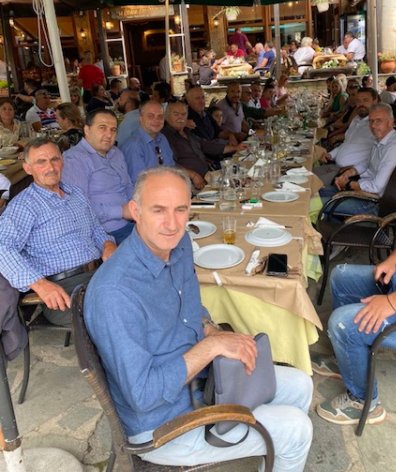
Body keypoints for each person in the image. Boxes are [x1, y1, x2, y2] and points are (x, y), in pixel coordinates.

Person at [84, 167, 313, 470]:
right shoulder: (115, 293)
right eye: (158, 210)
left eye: (180, 209)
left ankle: (272, 454)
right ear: (135, 212)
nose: (172, 224)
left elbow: (192, 307)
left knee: (301, 384)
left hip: (204, 381)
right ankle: (279, 443)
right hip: (164, 425)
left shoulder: (178, 246)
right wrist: (212, 347)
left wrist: (211, 330)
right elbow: (143, 395)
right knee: (297, 429)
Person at [315, 123, 396, 426]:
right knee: (340, 275)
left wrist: (391, 303)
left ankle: (363, 400)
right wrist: (391, 260)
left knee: (343, 323)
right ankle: (347, 357)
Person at [0, 138, 115, 326]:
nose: (51, 167)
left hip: (99, 273)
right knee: (119, 311)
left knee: (147, 289)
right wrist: (40, 285)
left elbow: (95, 228)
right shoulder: (24, 206)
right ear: (28, 168)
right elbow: (2, 247)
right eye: (41, 162)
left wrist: (108, 244)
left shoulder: (76, 193)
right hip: (65, 287)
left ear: (62, 161)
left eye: (54, 159)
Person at [319, 103, 396, 216]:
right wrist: (349, 173)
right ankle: (326, 221)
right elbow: (368, 163)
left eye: (378, 121)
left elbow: (376, 187)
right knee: (316, 192)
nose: (373, 126)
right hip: (361, 192)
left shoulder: (393, 149)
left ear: (391, 122)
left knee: (313, 204)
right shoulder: (381, 140)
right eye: (371, 121)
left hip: (372, 202)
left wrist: (348, 184)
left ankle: (330, 223)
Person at [62, 110, 134, 244]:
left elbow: (128, 185)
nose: (109, 134)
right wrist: (121, 211)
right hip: (105, 233)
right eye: (102, 128)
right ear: (87, 130)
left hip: (133, 222)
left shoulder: (116, 153)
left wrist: (137, 206)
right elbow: (77, 207)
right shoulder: (75, 159)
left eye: (113, 130)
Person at [315, 88, 378, 186]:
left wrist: (354, 170)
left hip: (349, 176)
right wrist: (330, 155)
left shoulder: (376, 126)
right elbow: (346, 143)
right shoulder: (357, 120)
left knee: (308, 185)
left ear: (375, 101)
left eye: (365, 100)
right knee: (304, 176)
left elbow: (376, 158)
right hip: (335, 167)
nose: (361, 104)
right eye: (358, 101)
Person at [120, 100, 174, 183]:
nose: (156, 120)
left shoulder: (162, 138)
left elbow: (171, 168)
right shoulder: (134, 145)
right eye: (150, 116)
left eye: (160, 116)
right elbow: (140, 183)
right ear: (141, 119)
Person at [162, 101, 209, 190]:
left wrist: (233, 147)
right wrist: (192, 175)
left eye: (183, 114)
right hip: (187, 185)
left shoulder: (187, 132)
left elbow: (206, 145)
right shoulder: (165, 137)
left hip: (206, 178)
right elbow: (170, 165)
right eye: (176, 114)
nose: (180, 117)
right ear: (166, 117)